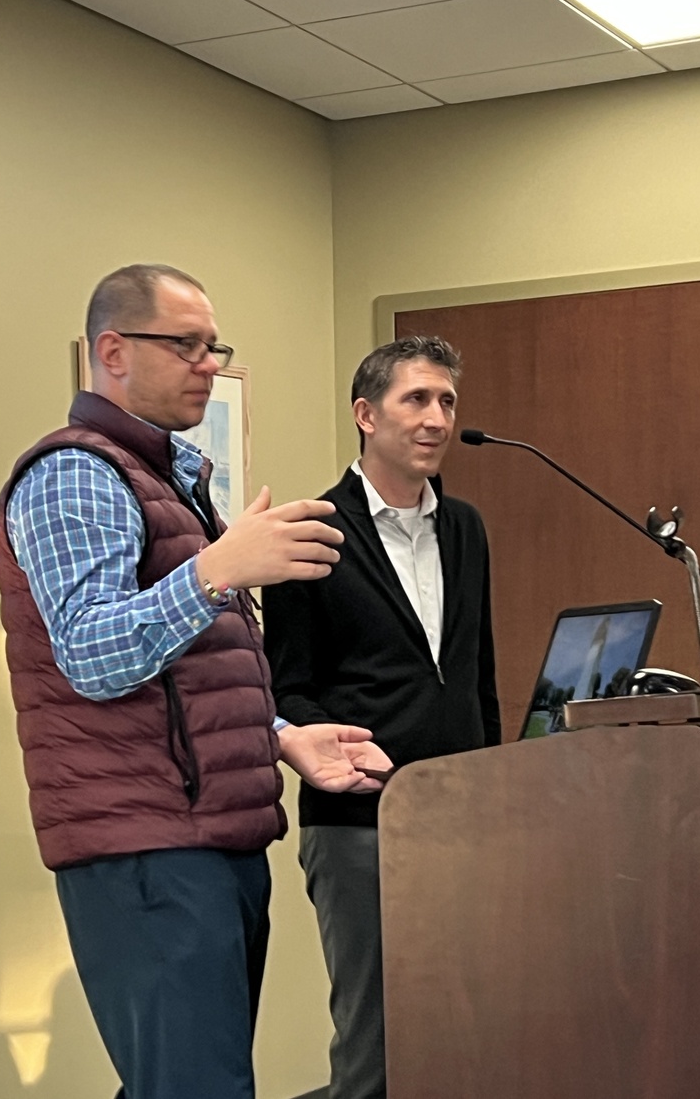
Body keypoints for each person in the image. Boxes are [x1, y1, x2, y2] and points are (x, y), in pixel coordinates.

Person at [0, 263, 389, 1099]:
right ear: (112, 351)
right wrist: (215, 570)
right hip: (144, 847)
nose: (209, 362)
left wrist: (283, 738)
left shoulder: (167, 478)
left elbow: (191, 674)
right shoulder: (74, 473)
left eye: (214, 345)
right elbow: (93, 654)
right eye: (186, 344)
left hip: (211, 840)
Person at [262, 335, 501, 1099]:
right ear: (366, 415)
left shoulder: (465, 528)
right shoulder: (312, 532)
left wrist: (494, 786)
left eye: (448, 400)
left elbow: (477, 674)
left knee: (464, 1029)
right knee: (376, 1041)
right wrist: (333, 750)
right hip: (357, 824)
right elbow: (283, 688)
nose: (437, 417)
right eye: (417, 399)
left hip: (459, 814)